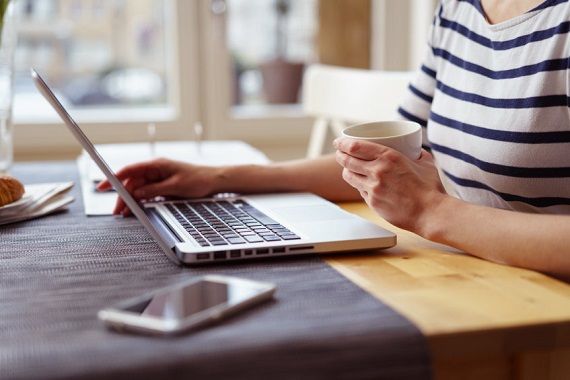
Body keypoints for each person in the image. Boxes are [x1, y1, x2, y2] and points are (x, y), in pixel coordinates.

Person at [99, 0, 570, 277]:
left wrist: (431, 211)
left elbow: (421, 203)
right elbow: (385, 164)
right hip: (472, 272)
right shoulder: (455, 11)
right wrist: (219, 178)